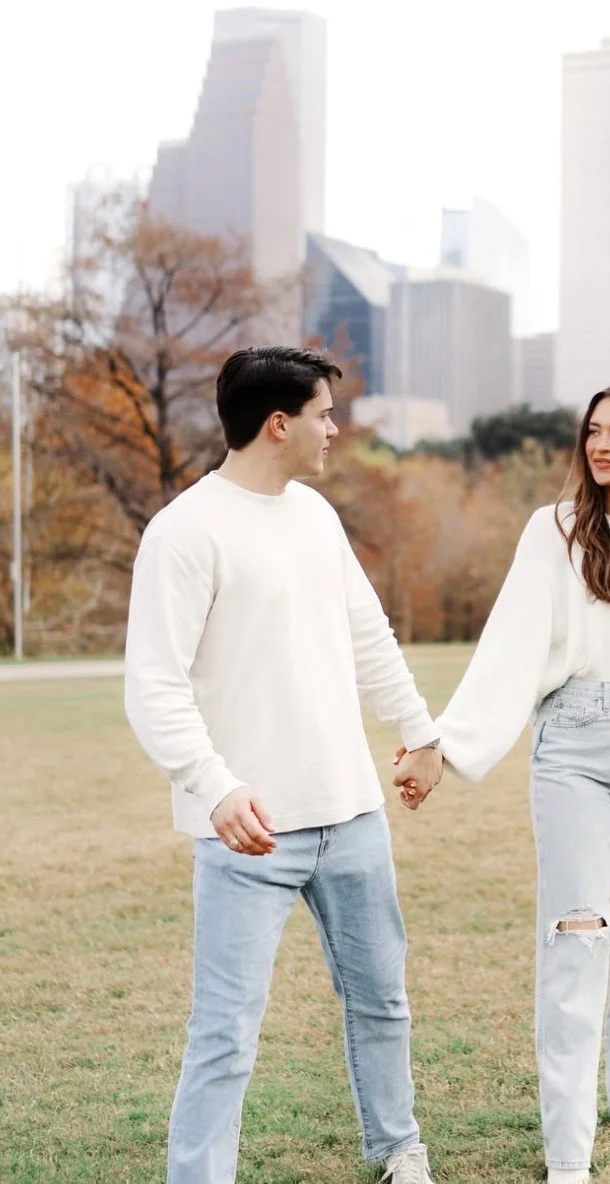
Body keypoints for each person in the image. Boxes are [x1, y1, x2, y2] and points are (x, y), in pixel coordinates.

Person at [396, 384, 610, 1184]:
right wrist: (443, 747)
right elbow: (509, 646)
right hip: (576, 742)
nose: (601, 445)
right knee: (578, 940)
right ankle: (568, 1155)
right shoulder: (555, 531)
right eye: (593, 431)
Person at [124, 345, 441, 1184]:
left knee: (382, 1004)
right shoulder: (184, 532)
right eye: (323, 415)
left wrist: (420, 732)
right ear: (279, 423)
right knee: (224, 1033)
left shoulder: (315, 518)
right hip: (248, 833)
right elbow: (152, 687)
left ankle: (398, 1150)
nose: (333, 429)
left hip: (352, 815)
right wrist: (215, 787)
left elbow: (370, 638)